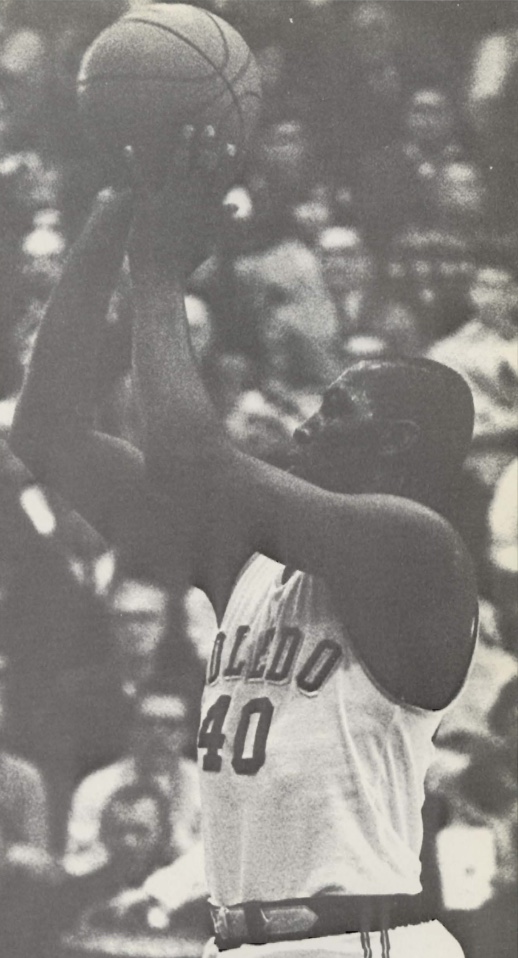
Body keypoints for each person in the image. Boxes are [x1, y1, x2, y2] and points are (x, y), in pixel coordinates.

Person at [10, 128, 477, 958]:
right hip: (238, 936)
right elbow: (46, 430)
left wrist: (157, 271)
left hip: (361, 938)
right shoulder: (246, 561)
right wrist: (113, 214)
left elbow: (191, 457)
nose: (303, 422)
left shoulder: (413, 548)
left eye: (338, 411)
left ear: (399, 444)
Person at [64, 692, 200, 878]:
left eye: (170, 725)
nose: (158, 734)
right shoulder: (97, 786)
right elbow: (76, 861)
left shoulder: (208, 789)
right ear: (131, 730)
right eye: (147, 724)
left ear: (188, 734)